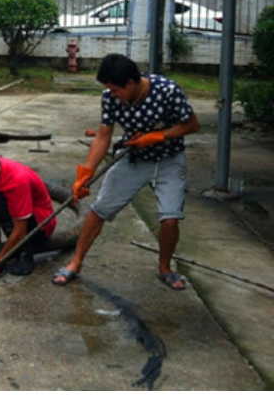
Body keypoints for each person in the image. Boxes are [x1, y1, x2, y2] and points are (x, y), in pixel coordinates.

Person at [51, 53, 200, 290]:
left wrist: (157, 136)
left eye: (116, 90)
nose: (112, 94)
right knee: (98, 210)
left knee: (170, 218)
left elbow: (192, 125)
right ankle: (75, 262)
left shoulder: (167, 91)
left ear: (131, 83)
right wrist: (85, 172)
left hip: (169, 160)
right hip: (134, 159)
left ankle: (164, 268)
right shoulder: (109, 97)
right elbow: (103, 135)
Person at [0, 146, 57, 277]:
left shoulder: (17, 181)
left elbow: (20, 229)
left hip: (37, 227)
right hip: (16, 221)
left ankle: (24, 254)